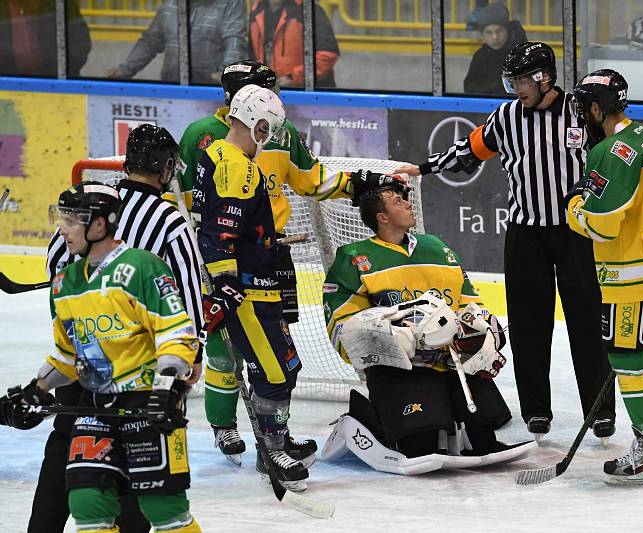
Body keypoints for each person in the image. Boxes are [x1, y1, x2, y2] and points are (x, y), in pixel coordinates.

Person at [394, 41, 616, 442]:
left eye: (521, 80)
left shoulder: (580, 113)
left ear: (544, 76)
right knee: (529, 324)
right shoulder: (507, 117)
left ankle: (599, 411)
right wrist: (424, 168)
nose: (516, 88)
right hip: (525, 233)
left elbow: (611, 157)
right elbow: (470, 151)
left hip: (576, 235)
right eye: (511, 80)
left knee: (586, 322)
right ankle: (536, 411)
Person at [178, 59, 389, 467]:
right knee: (228, 352)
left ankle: (274, 435)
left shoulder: (278, 131)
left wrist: (360, 184)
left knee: (275, 349)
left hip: (270, 256)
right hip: (224, 261)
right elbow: (197, 212)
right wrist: (212, 266)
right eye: (266, 91)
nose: (276, 99)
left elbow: (313, 180)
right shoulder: (203, 139)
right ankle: (226, 426)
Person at [0, 181, 201, 531]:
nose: (62, 229)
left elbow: (177, 332)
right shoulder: (65, 284)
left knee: (163, 508)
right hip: (94, 407)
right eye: (61, 219)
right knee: (87, 503)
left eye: (72, 220)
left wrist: (167, 387)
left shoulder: (142, 268)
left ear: (99, 224)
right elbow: (68, 355)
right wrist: (39, 388)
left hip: (147, 404)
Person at [39, 124, 204, 533]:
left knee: (68, 452)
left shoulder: (82, 210)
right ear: (165, 168)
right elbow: (185, 295)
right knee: (142, 471)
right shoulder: (166, 217)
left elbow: (57, 283)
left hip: (85, 361)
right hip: (146, 371)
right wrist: (191, 357)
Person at [320, 182, 533, 474]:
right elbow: (341, 326)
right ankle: (360, 419)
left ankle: (476, 434)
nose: (407, 204)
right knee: (418, 445)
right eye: (396, 201)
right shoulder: (355, 259)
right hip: (402, 367)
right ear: (382, 217)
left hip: (451, 360)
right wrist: (399, 339)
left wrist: (485, 328)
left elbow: (469, 301)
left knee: (484, 432)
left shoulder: (436, 248)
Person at [566, 69, 643, 484]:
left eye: (584, 107)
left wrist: (575, 208)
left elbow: (602, 225)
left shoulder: (610, 151)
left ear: (597, 108)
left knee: (627, 359)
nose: (582, 115)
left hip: (631, 277)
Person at [107, 0, 247, 83]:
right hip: (172, 87)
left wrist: (226, 74)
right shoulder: (170, 6)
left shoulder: (230, 3)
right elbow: (150, 42)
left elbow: (235, 41)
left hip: (209, 91)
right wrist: (125, 70)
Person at [249, 0, 339, 88]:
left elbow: (328, 54)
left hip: (308, 94)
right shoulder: (256, 12)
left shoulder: (309, 11)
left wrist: (293, 78)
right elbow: (251, 56)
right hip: (269, 92)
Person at [0, 0, 90, 77]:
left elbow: (80, 42)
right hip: (7, 84)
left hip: (55, 83)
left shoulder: (58, 4)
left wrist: (54, 76)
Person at [463, 2, 527, 95]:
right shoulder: (481, 56)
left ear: (507, 30)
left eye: (499, 31)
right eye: (488, 32)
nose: (495, 37)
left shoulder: (522, 54)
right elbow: (470, 88)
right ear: (482, 35)